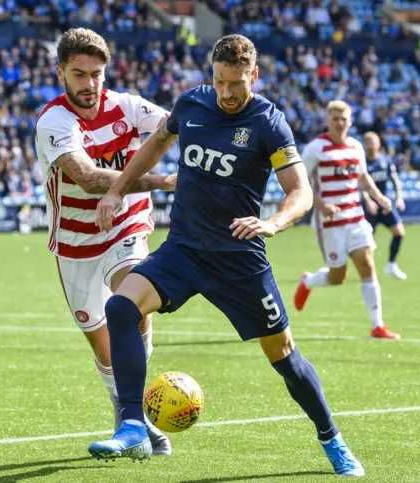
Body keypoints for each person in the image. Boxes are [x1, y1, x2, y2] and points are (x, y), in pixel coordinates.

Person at [89, 34, 365, 477]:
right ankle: (133, 425)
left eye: (236, 82)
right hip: (183, 249)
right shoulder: (191, 105)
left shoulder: (268, 122)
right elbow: (156, 145)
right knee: (120, 308)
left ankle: (332, 438)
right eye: (219, 81)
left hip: (239, 260)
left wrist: (272, 223)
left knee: (284, 355)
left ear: (253, 75)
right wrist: (118, 188)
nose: (226, 92)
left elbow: (301, 191)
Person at [34, 28, 177, 456]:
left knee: (131, 304)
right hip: (76, 242)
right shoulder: (53, 121)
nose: (89, 84)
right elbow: (88, 177)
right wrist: (163, 181)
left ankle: (134, 413)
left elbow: (179, 124)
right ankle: (124, 407)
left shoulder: (129, 106)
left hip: (126, 225)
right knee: (102, 341)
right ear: (60, 72)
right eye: (79, 74)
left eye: (96, 74)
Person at [294, 101, 400, 340]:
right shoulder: (315, 148)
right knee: (337, 277)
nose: (339, 123)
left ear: (350, 121)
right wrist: (322, 205)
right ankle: (308, 281)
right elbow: (301, 181)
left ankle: (377, 326)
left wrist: (379, 196)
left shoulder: (355, 147)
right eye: (335, 118)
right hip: (329, 221)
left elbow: (363, 177)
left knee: (368, 265)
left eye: (344, 119)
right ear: (327, 121)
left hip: (355, 216)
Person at [362, 132, 407, 280]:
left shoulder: (386, 160)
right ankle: (370, 271)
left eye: (372, 140)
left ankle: (391, 265)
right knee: (368, 241)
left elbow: (395, 180)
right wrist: (367, 200)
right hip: (369, 207)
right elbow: (360, 184)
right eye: (367, 141)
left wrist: (399, 198)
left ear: (379, 143)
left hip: (385, 204)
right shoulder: (361, 162)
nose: (370, 143)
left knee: (399, 232)